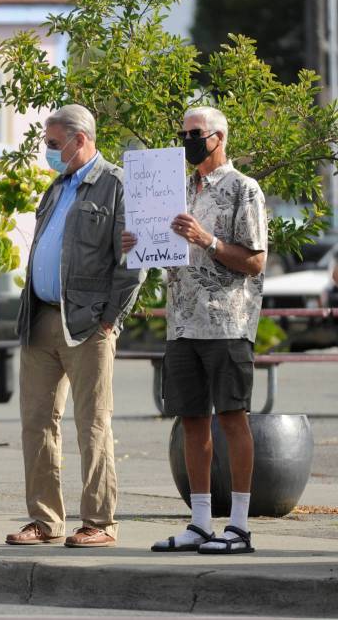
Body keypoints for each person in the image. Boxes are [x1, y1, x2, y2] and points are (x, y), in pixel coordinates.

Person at [124, 107, 267, 555]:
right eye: (182, 133)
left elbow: (255, 261)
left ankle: (239, 527)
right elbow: (173, 256)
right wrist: (141, 245)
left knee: (231, 418)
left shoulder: (245, 189)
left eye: (194, 133)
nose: (187, 140)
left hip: (228, 320)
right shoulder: (178, 191)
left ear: (218, 136)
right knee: (190, 420)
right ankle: (201, 522)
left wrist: (207, 239)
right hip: (182, 322)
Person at [6, 104, 143, 549]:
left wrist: (110, 318)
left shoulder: (117, 185)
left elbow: (133, 262)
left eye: (52, 144)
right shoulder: (56, 186)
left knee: (92, 424)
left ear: (79, 139)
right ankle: (45, 521)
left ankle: (100, 522)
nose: (47, 152)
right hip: (41, 317)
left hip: (87, 324)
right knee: (37, 423)